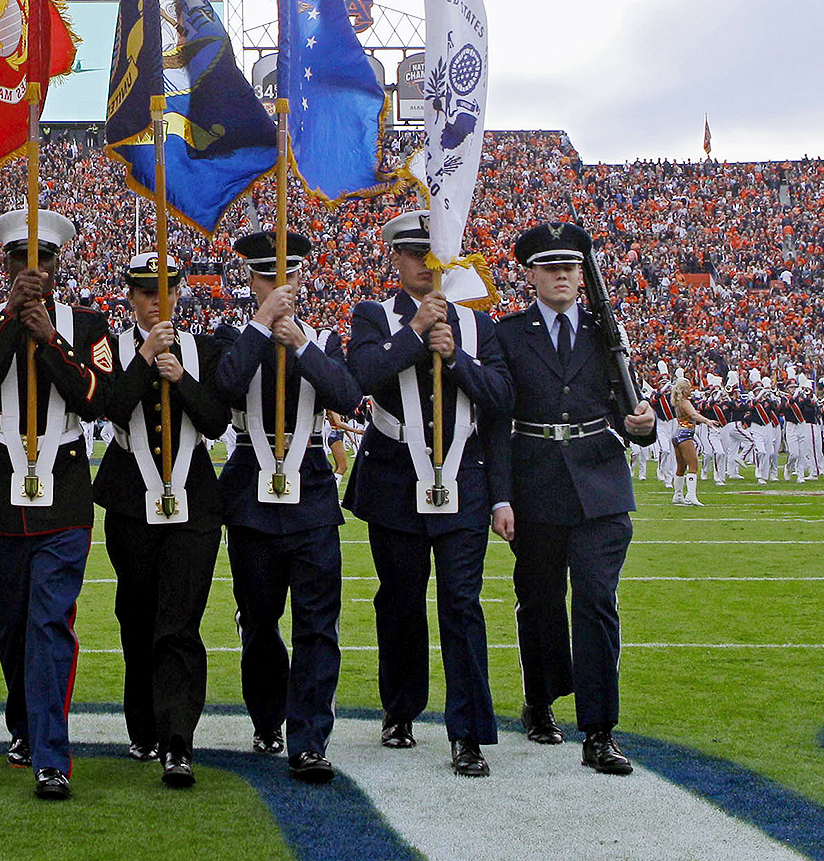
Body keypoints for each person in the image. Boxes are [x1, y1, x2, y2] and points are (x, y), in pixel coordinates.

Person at [345, 210, 513, 778]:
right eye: (413, 254)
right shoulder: (374, 315)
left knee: (462, 606)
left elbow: (501, 398)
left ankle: (467, 732)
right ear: (396, 259)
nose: (424, 263)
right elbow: (362, 375)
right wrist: (415, 334)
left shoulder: (477, 324)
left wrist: (455, 357)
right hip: (394, 476)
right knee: (399, 600)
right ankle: (400, 708)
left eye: (432, 252)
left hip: (462, 477)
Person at [486, 221, 656, 776]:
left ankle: (600, 729)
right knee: (538, 603)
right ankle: (540, 700)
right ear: (530, 275)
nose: (563, 275)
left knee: (596, 604)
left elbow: (627, 411)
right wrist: (500, 496)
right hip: (536, 483)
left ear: (582, 276)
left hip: (599, 484)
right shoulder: (509, 335)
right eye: (551, 267)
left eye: (571, 267)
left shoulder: (607, 333)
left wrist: (643, 425)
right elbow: (497, 422)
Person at [0, 208, 113, 801]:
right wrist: (14, 327)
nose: (33, 269)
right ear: (3, 265)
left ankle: (51, 752)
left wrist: (48, 335)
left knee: (51, 622)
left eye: (42, 259)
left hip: (65, 491)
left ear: (57, 263)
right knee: (12, 620)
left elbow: (95, 397)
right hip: (0, 489)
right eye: (20, 259)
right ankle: (24, 722)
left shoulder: (88, 324)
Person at [214, 229, 360, 785]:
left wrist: (298, 342)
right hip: (251, 495)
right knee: (259, 621)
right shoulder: (233, 335)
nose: (280, 286)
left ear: (302, 279)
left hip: (313, 496)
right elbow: (226, 387)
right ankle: (267, 717)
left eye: (288, 277)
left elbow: (345, 396)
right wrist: (261, 326)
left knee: (318, 625)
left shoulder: (320, 338)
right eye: (268, 278)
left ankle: (309, 739)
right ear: (251, 282)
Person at [96, 251, 230, 788]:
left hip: (193, 499)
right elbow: (107, 405)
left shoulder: (203, 348)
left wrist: (181, 378)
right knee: (136, 616)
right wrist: (145, 360)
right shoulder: (109, 347)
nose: (158, 300)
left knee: (179, 623)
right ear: (131, 297)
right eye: (147, 291)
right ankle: (144, 725)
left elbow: (218, 422)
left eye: (166, 290)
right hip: (131, 498)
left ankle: (179, 739)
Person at [667, 377, 711, 507]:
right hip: (686, 434)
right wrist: (707, 421)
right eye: (688, 388)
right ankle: (691, 494)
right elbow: (693, 415)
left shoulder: (678, 401)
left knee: (681, 467)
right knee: (693, 465)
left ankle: (678, 495)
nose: (691, 390)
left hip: (678, 433)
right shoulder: (685, 402)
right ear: (683, 389)